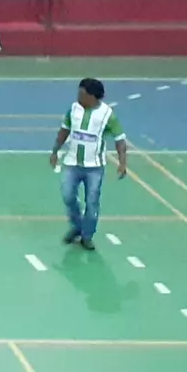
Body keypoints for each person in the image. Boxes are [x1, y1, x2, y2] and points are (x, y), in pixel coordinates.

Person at [51, 77, 129, 250]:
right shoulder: (73, 109)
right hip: (72, 163)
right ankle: (77, 226)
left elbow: (120, 140)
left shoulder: (107, 115)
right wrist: (55, 150)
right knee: (68, 196)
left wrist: (122, 163)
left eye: (82, 94)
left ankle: (87, 236)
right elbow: (64, 130)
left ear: (93, 97)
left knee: (92, 202)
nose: (78, 96)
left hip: (94, 168)